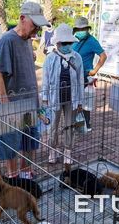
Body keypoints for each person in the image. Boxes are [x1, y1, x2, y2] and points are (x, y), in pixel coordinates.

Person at [0, 1, 50, 179]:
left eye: (39, 28)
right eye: (34, 26)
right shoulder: (7, 40)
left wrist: (38, 106)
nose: (36, 32)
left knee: (28, 141)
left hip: (28, 104)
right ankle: (13, 177)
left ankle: (25, 174)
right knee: (10, 144)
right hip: (12, 105)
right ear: (22, 18)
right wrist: (6, 107)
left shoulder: (26, 41)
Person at [41, 23, 84, 164]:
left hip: (71, 98)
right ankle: (52, 151)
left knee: (69, 126)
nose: (67, 45)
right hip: (55, 98)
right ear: (58, 43)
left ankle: (67, 152)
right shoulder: (50, 58)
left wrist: (80, 101)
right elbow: (46, 78)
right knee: (53, 125)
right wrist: (45, 96)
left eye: (69, 43)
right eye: (64, 43)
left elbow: (80, 79)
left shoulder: (77, 57)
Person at [72, 17, 107, 131]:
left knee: (84, 101)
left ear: (87, 29)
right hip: (72, 75)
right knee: (74, 99)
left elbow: (103, 56)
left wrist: (95, 70)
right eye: (78, 29)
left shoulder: (92, 41)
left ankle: (86, 124)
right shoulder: (73, 40)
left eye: (83, 28)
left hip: (85, 76)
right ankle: (75, 123)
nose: (81, 31)